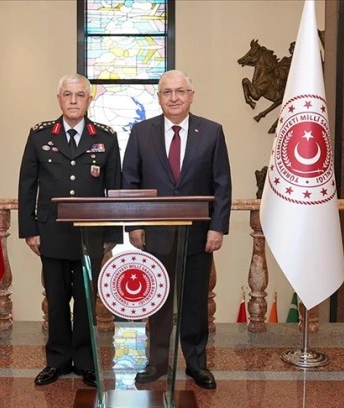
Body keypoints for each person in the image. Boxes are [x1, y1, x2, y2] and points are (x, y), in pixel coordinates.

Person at [122, 70, 232, 389]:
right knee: (157, 302)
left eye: (180, 91)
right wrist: (134, 224)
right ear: (159, 97)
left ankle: (196, 364)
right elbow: (130, 180)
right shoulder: (141, 132)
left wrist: (217, 227)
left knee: (195, 303)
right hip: (155, 235)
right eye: (167, 92)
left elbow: (222, 183)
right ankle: (157, 363)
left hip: (198, 235)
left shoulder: (211, 132)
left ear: (191, 95)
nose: (174, 97)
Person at [18, 74, 122, 388]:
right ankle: (57, 361)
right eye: (67, 94)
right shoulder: (39, 136)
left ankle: (86, 362)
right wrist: (30, 229)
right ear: (59, 99)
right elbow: (27, 186)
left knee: (87, 301)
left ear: (89, 99)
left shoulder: (105, 137)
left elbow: (114, 189)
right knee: (56, 299)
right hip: (51, 232)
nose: (73, 100)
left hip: (91, 235)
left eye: (79, 95)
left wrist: (112, 235)